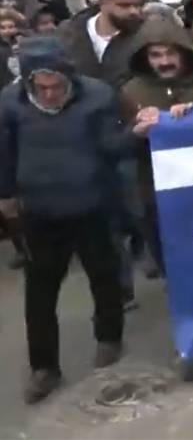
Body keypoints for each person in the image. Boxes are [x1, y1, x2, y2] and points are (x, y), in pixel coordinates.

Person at [0, 36, 149, 404]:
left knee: (105, 275)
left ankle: (109, 338)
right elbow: (4, 152)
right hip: (40, 211)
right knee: (40, 292)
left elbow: (112, 148)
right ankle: (44, 367)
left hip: (93, 205)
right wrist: (5, 196)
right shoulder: (10, 103)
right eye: (41, 87)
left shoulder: (97, 97)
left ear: (69, 77)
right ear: (29, 82)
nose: (49, 94)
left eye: (56, 86)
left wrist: (136, 134)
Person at [118, 19, 193, 274]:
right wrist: (137, 130)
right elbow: (120, 144)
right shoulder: (131, 91)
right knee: (170, 259)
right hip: (156, 190)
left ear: (184, 52)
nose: (164, 61)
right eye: (156, 55)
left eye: (171, 53)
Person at [57, 0, 146, 90]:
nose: (133, 11)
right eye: (125, 5)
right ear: (103, 2)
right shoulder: (69, 33)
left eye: (137, 5)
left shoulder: (145, 36)